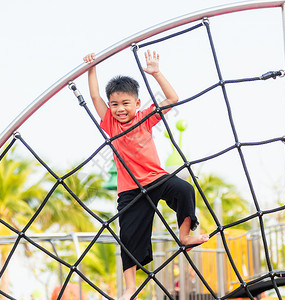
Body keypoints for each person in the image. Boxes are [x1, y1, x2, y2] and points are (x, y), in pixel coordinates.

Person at [83, 50, 209, 300]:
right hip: (130, 190)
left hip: (156, 179)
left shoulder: (145, 118)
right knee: (128, 236)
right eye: (115, 104)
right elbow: (95, 96)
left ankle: (184, 235)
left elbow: (172, 98)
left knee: (185, 190)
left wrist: (155, 72)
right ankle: (130, 287)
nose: (120, 109)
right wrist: (92, 68)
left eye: (125, 103)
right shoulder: (110, 123)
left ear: (137, 104)